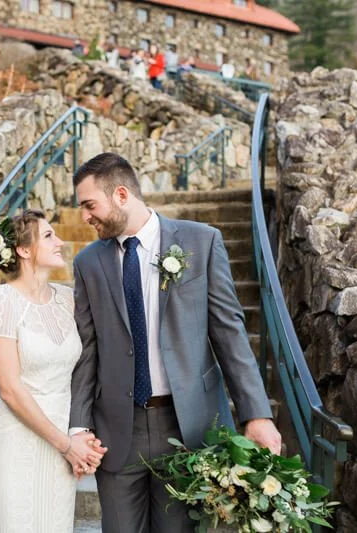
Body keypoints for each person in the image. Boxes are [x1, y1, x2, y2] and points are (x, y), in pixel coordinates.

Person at [69, 153, 281, 533]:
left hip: (190, 428)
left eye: (89, 205)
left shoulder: (202, 241)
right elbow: (87, 351)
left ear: (121, 195)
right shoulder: (88, 263)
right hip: (117, 430)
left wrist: (256, 415)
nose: (85, 216)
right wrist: (79, 426)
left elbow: (229, 333)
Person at [0, 209, 107, 533]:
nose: (59, 242)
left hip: (61, 442)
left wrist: (78, 436)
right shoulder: (0, 302)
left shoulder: (68, 299)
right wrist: (66, 445)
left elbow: (87, 367)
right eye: (48, 236)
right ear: (23, 250)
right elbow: (10, 390)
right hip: (15, 440)